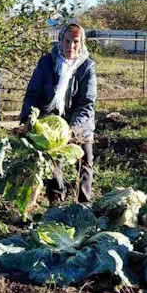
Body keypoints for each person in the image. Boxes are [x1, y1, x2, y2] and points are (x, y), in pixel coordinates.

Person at [17, 23, 96, 205]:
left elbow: (86, 103)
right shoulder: (47, 62)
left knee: (85, 160)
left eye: (76, 42)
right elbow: (33, 93)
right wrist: (28, 118)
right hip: (52, 122)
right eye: (67, 41)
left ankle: (84, 204)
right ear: (60, 41)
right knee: (52, 162)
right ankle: (56, 200)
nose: (71, 46)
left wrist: (72, 130)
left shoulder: (87, 67)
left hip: (79, 123)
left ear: (81, 43)